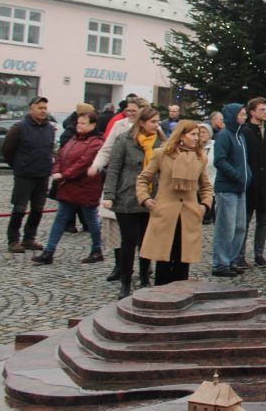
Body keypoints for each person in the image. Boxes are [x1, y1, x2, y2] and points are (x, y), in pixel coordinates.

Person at [135, 120, 212, 286]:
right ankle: (160, 302)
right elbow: (143, 178)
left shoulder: (200, 157)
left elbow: (206, 186)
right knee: (163, 262)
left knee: (183, 264)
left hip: (189, 216)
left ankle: (180, 302)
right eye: (192, 134)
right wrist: (146, 199)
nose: (196, 138)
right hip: (165, 214)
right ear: (181, 135)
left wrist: (204, 206)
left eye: (197, 135)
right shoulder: (162, 154)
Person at [103, 106, 162, 296]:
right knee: (128, 241)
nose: (156, 125)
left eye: (157, 121)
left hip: (151, 197)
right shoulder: (124, 140)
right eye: (152, 121)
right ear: (142, 122)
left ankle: (145, 278)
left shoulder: (160, 141)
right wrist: (109, 195)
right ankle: (125, 283)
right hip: (127, 196)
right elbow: (113, 169)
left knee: (146, 241)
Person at [32, 110, 105, 265]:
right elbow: (60, 155)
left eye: (83, 123)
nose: (79, 126)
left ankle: (97, 250)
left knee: (91, 219)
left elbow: (83, 163)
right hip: (69, 186)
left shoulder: (97, 142)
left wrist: (64, 175)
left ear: (92, 125)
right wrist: (57, 170)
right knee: (60, 218)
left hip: (85, 186)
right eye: (78, 123)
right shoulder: (73, 139)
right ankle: (49, 252)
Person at [0, 95, 58, 253]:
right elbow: (7, 149)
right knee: (19, 208)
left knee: (38, 209)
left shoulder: (50, 129)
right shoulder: (19, 127)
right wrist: (18, 165)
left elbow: (51, 150)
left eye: (45, 108)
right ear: (31, 108)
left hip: (42, 174)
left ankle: (29, 238)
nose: (43, 111)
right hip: (24, 175)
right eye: (40, 108)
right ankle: (13, 240)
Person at [210, 103, 249, 278]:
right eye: (241, 114)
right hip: (227, 188)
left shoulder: (240, 135)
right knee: (226, 227)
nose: (245, 117)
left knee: (240, 227)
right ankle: (220, 263)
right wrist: (236, 175)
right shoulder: (225, 135)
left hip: (240, 187)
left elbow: (244, 160)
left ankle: (231, 260)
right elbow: (219, 160)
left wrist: (249, 175)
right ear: (233, 116)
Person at [239, 97, 266, 268]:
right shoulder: (245, 132)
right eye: (262, 109)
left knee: (263, 222)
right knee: (244, 222)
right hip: (251, 183)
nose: (265, 112)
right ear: (252, 112)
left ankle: (259, 254)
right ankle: (240, 255)